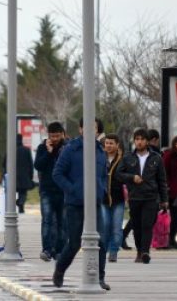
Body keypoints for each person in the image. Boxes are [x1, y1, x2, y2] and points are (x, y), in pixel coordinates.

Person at [52, 118, 110, 291]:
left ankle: (98, 277)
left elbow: (103, 175)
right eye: (87, 127)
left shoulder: (100, 150)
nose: (90, 130)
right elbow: (58, 174)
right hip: (75, 203)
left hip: (95, 203)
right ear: (80, 129)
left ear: (98, 131)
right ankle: (60, 269)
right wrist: (73, 190)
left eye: (94, 128)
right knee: (74, 242)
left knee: (101, 240)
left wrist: (102, 190)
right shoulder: (71, 149)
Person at [115, 128, 168, 264]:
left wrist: (164, 200)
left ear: (147, 141)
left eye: (142, 139)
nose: (139, 142)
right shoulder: (128, 157)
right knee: (137, 226)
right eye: (137, 139)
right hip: (134, 197)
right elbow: (118, 174)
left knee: (147, 225)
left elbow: (162, 180)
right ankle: (139, 251)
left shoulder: (156, 158)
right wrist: (132, 178)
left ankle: (145, 252)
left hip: (151, 197)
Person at [34, 122, 68, 262]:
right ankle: (47, 250)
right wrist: (48, 153)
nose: (55, 139)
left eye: (57, 136)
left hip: (63, 190)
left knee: (63, 222)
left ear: (62, 134)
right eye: (52, 136)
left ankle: (59, 251)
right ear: (48, 135)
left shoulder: (67, 148)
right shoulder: (42, 147)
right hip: (47, 190)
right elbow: (38, 166)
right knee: (47, 220)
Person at [100, 133, 125, 263]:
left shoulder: (123, 159)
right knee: (104, 226)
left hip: (118, 199)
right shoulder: (100, 158)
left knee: (116, 227)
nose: (108, 146)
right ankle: (103, 251)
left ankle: (114, 251)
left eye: (111, 143)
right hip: (103, 199)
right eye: (107, 143)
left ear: (117, 145)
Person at [3, 134, 34, 214]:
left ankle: (14, 205)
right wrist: (30, 176)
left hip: (12, 175)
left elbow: (4, 163)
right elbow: (30, 164)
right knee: (23, 192)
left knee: (12, 192)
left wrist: (5, 174)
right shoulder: (26, 150)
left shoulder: (10, 150)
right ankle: (21, 205)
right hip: (24, 175)